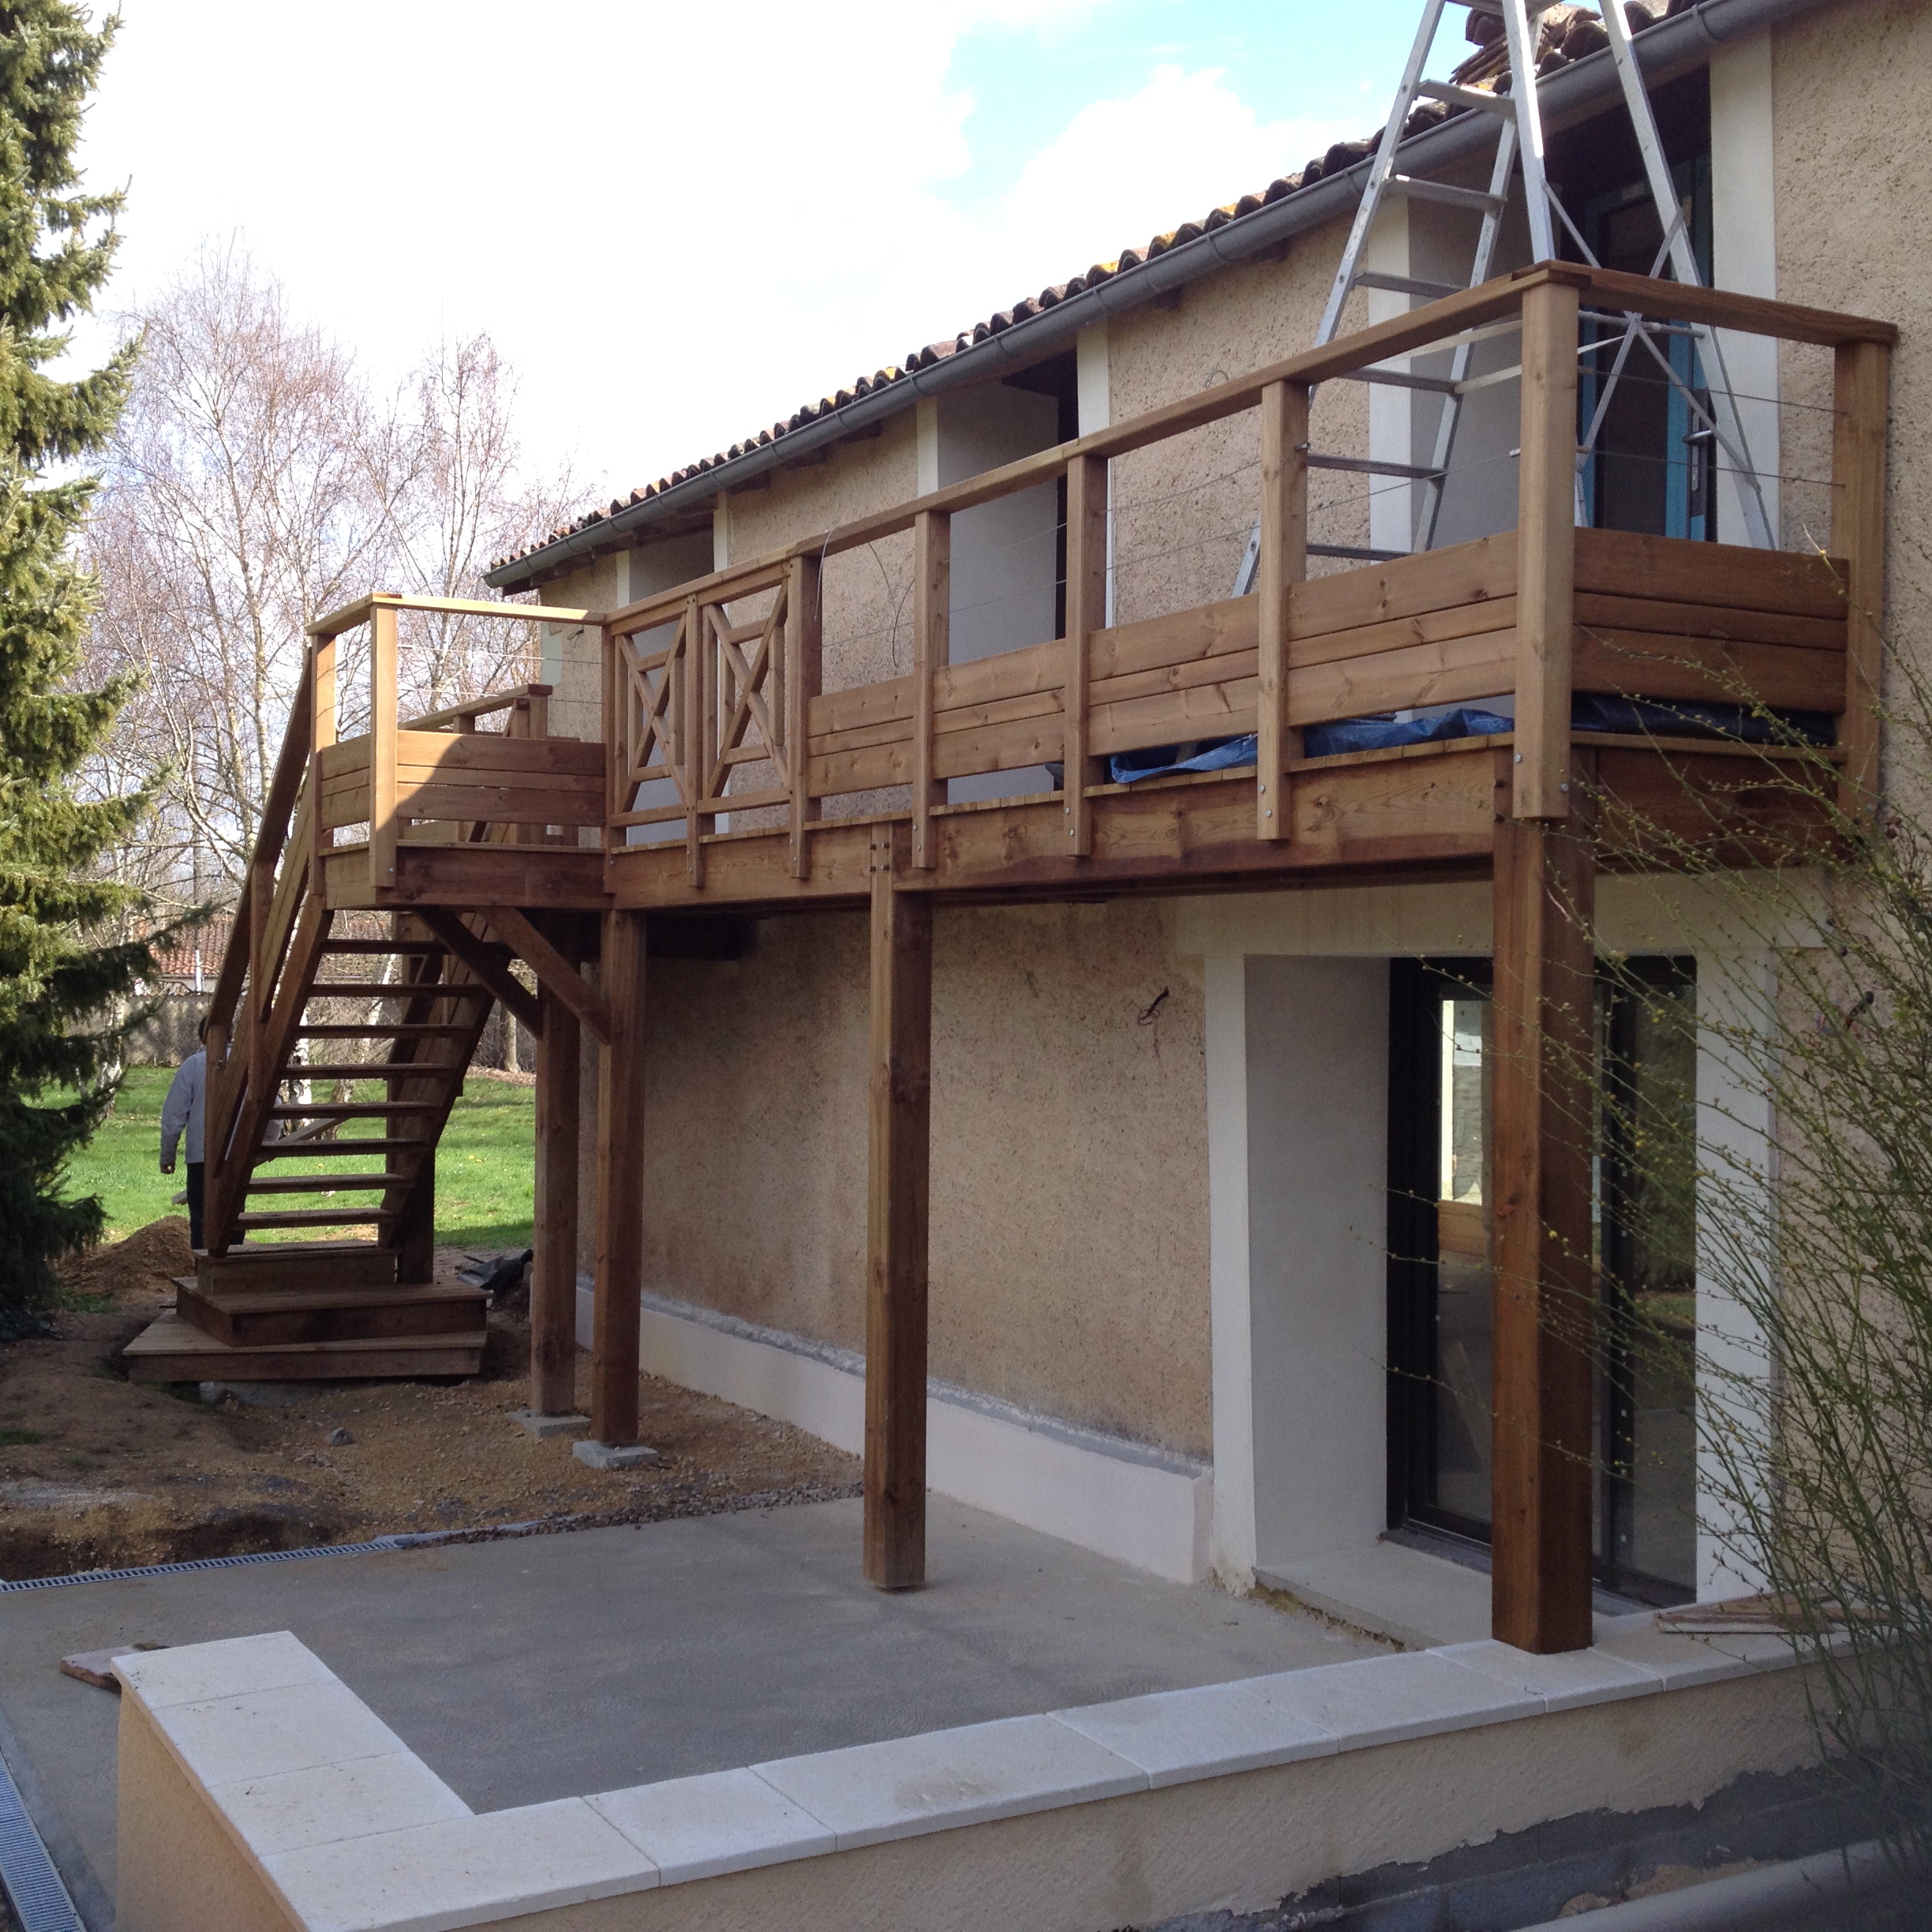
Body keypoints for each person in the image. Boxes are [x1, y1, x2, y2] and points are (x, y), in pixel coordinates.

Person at [159, 1020, 208, 1250]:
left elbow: (174, 1115)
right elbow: (272, 1104)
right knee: (234, 1213)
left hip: (201, 1155)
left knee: (200, 1218)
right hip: (236, 1156)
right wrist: (266, 1141)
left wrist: (168, 1155)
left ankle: (203, 1273)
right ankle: (236, 1273)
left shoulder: (193, 1066)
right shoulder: (244, 1063)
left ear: (201, 1038)